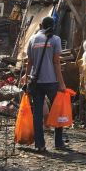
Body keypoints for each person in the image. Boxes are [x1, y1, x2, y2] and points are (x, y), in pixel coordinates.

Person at [24, 16, 67, 153]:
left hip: (36, 82)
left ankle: (40, 145)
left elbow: (29, 62)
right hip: (52, 82)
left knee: (37, 114)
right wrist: (62, 84)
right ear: (53, 25)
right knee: (58, 111)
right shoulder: (56, 39)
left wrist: (26, 80)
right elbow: (56, 63)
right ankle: (59, 143)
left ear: (41, 25)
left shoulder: (32, 39)